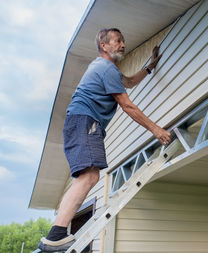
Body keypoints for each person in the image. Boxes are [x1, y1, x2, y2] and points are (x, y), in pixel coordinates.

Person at [38, 28, 171, 252]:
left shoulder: (107, 70)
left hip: (79, 122)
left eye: (123, 40)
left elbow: (128, 81)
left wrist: (150, 66)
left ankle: (56, 234)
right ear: (104, 45)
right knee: (89, 176)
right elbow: (127, 105)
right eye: (117, 41)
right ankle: (56, 235)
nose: (122, 44)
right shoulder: (105, 68)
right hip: (85, 121)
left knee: (86, 176)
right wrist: (156, 130)